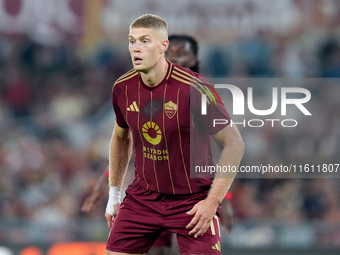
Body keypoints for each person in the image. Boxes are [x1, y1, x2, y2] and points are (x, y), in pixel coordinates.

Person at [105, 14, 244, 255]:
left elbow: (235, 144)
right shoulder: (123, 87)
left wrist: (212, 202)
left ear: (163, 46)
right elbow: (120, 137)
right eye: (132, 41)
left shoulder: (195, 88)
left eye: (145, 41)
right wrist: (113, 194)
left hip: (192, 202)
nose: (136, 48)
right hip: (143, 199)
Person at [82, 34, 235, 239]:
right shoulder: (148, 96)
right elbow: (139, 144)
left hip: (194, 199)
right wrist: (109, 178)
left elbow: (224, 152)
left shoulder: (204, 97)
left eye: (182, 54)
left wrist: (222, 198)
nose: (174, 59)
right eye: (170, 53)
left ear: (194, 62)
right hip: (154, 199)